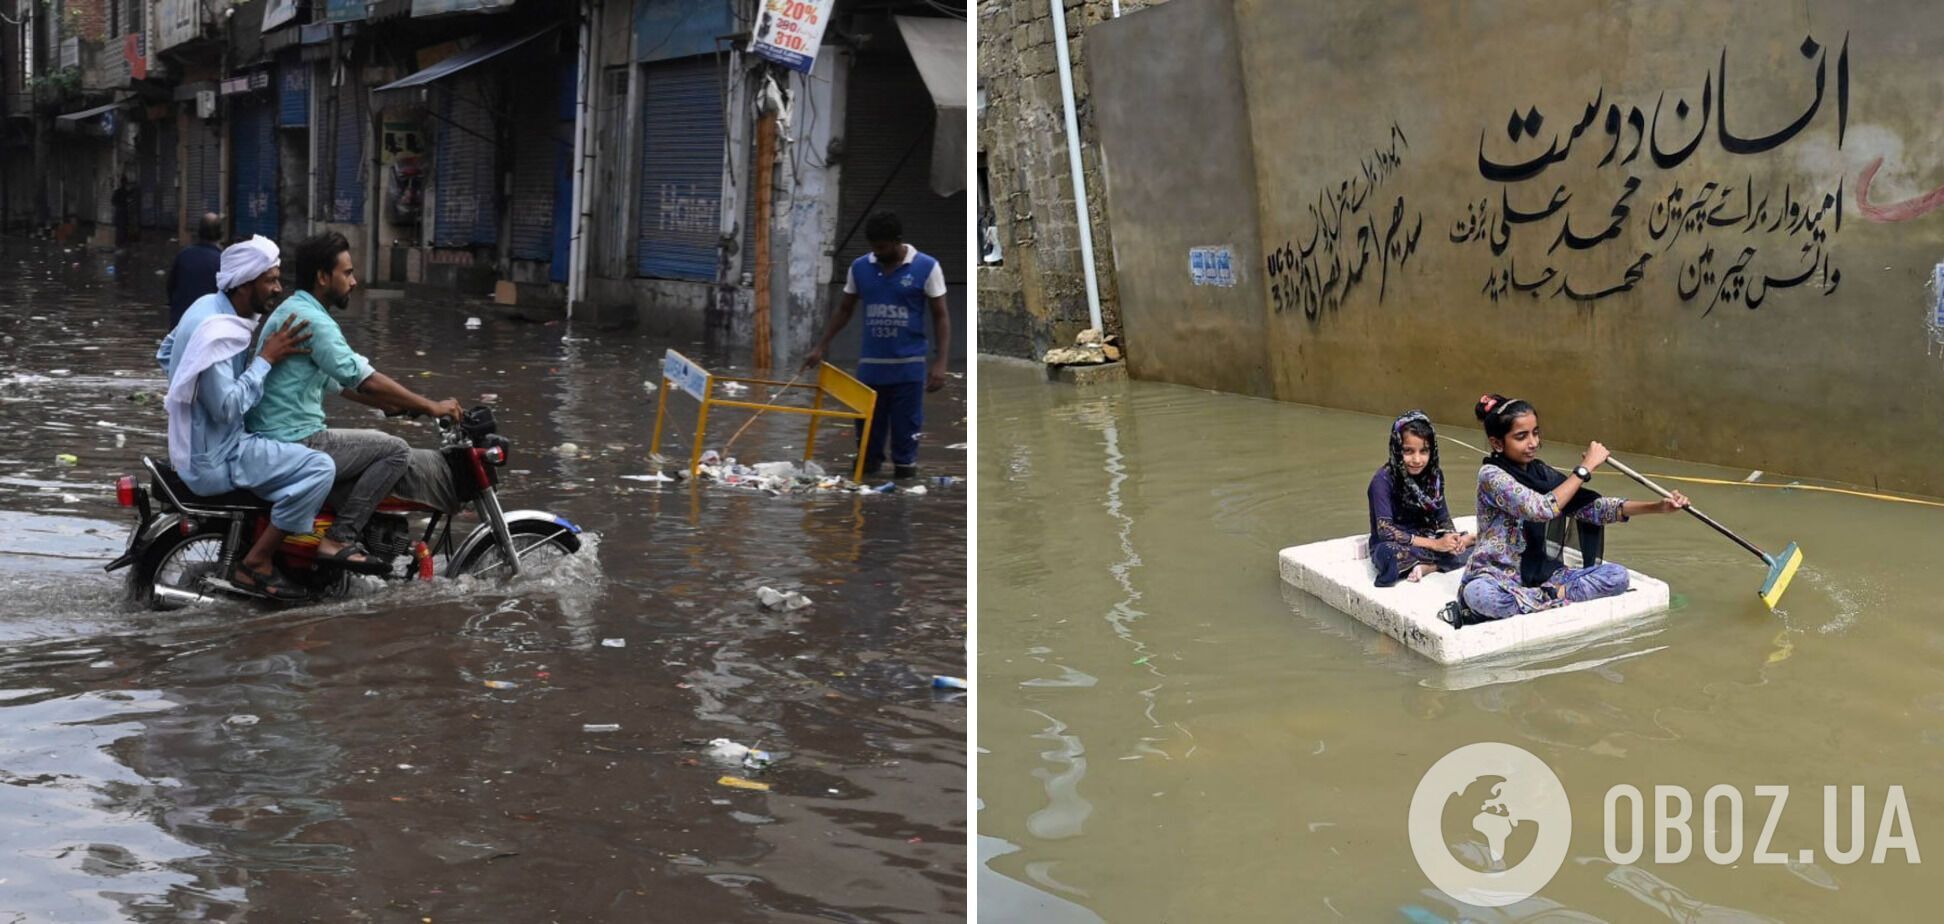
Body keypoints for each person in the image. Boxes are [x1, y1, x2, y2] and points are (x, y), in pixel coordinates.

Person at [162, 237, 376, 598]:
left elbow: (166, 352)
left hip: (199, 446)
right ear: (245, 284)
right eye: (270, 280)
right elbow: (227, 408)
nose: (278, 288)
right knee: (319, 468)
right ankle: (257, 562)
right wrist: (266, 360)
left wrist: (191, 399)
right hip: (217, 457)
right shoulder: (219, 333)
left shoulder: (205, 308)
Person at [248, 232, 461, 565]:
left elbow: (336, 381)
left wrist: (389, 403)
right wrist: (431, 406)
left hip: (275, 437)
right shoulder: (314, 320)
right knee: (395, 450)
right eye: (346, 273)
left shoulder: (295, 309)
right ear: (322, 277)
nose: (354, 281)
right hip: (297, 440)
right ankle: (339, 539)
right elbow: (365, 379)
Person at [1456, 394, 1691, 621]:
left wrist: (1658, 507)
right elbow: (1540, 509)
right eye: (1521, 437)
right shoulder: (1491, 476)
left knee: (1617, 577)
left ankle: (1542, 598)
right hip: (1497, 576)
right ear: (1497, 443)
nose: (1533, 443)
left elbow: (1593, 508)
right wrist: (1585, 468)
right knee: (1480, 596)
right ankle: (1552, 598)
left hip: (1546, 575)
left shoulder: (1540, 473)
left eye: (1536, 433)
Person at [802, 212, 951, 478]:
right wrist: (821, 346)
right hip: (871, 369)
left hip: (909, 367)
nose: (877, 252)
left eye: (882, 247)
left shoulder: (927, 267)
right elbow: (845, 309)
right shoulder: (860, 268)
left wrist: (940, 363)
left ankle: (903, 489)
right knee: (867, 438)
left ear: (897, 241)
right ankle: (866, 497)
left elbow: (941, 315)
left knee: (905, 437)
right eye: (873, 247)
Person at [1367, 410, 1473, 587]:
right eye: (1408, 451)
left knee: (1483, 550)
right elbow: (1386, 531)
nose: (1417, 460)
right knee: (1388, 556)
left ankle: (1429, 567)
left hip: (1427, 536)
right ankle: (1448, 555)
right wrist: (1436, 545)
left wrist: (1452, 538)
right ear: (1396, 448)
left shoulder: (1434, 477)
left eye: (1424, 451)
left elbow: (1443, 517)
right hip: (1396, 543)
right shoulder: (1382, 481)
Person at [166, 213, 224, 329]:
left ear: (198, 232)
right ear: (220, 234)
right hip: (207, 328)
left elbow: (170, 288)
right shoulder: (223, 261)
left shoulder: (183, 256)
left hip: (179, 325)